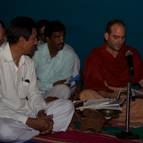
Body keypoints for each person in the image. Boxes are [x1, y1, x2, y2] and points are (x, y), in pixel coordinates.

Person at [0, 16, 74, 143]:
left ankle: (36, 128)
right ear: (22, 40)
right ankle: (39, 129)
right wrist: (29, 121)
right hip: (6, 117)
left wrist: (41, 112)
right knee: (5, 131)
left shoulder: (28, 62)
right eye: (34, 39)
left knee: (67, 106)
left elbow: (34, 93)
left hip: (28, 113)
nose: (36, 43)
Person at [80, 19, 143, 127]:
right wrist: (114, 94)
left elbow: (142, 81)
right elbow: (96, 87)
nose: (120, 41)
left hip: (126, 102)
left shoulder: (131, 54)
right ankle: (117, 119)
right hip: (105, 100)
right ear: (106, 36)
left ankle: (106, 119)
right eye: (115, 37)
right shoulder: (95, 56)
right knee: (85, 95)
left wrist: (132, 94)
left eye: (123, 38)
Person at [33, 20, 80, 99]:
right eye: (57, 37)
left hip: (54, 93)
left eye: (63, 36)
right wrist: (51, 85)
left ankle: (47, 107)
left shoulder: (69, 54)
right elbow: (31, 80)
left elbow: (62, 83)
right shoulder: (36, 52)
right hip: (35, 93)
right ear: (48, 39)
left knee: (64, 90)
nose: (61, 40)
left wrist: (42, 84)